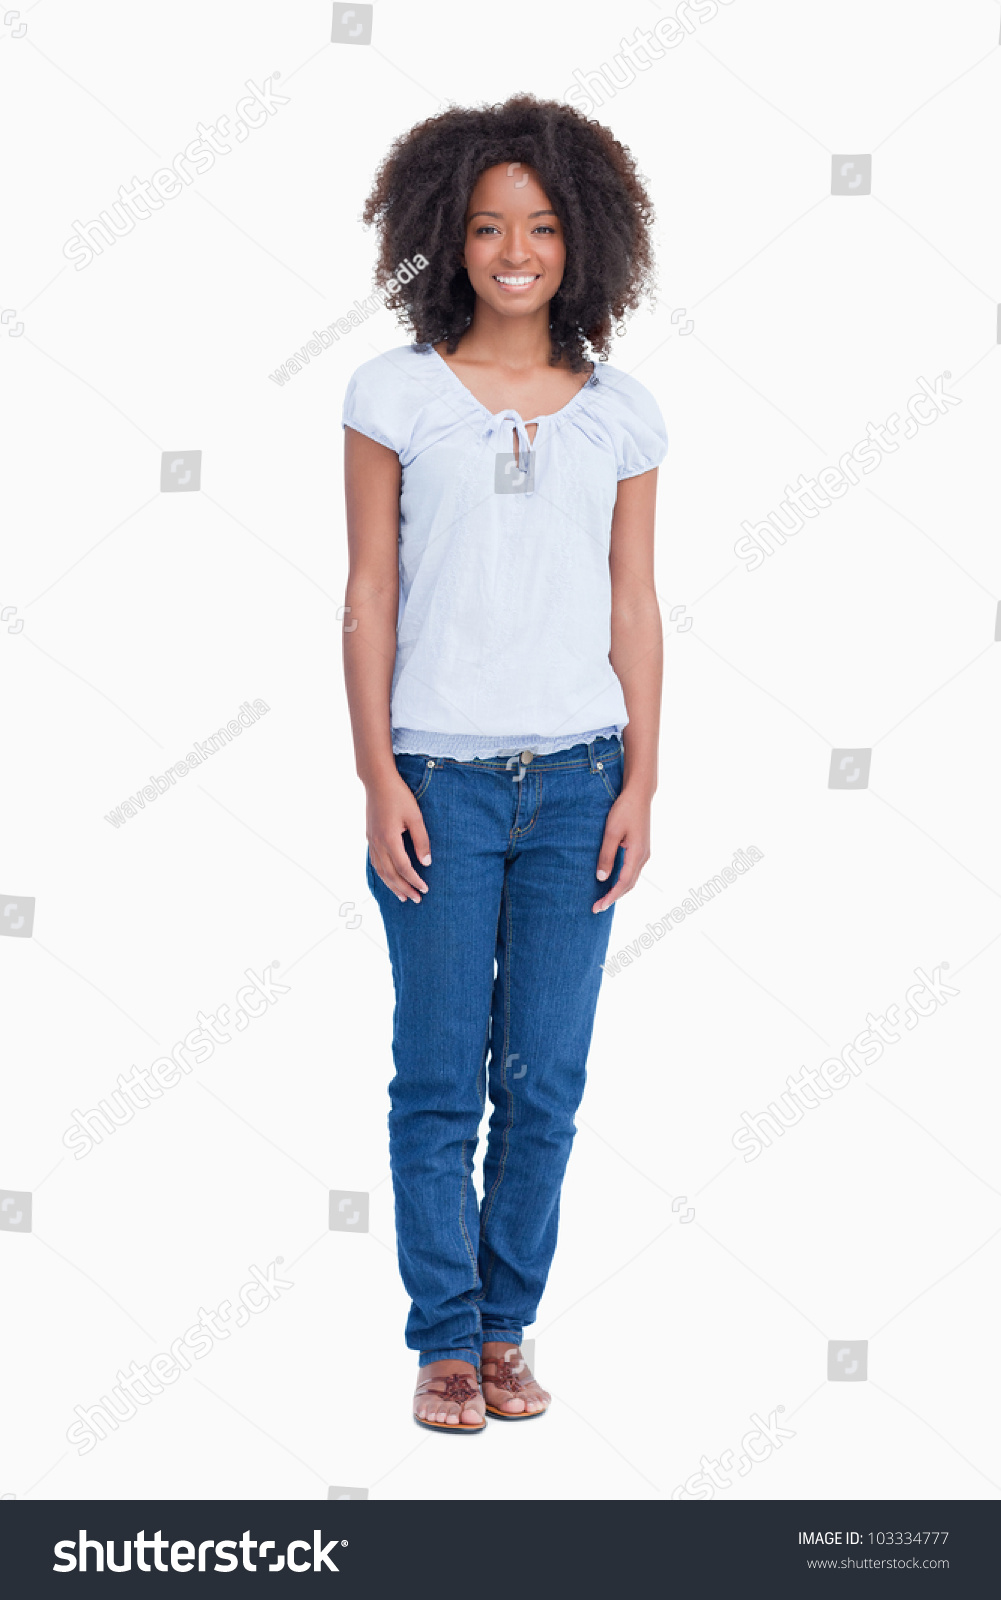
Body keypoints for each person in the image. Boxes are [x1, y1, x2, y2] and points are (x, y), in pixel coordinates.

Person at [341, 93, 667, 1433]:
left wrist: (643, 781)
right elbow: (367, 594)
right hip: (439, 783)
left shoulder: (620, 413)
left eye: (538, 226)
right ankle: (443, 1346)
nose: (513, 250)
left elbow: (633, 602)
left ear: (581, 241)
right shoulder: (394, 394)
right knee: (435, 1077)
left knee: (541, 1078)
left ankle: (505, 1327)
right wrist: (378, 781)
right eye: (485, 227)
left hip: (581, 780)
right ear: (446, 239)